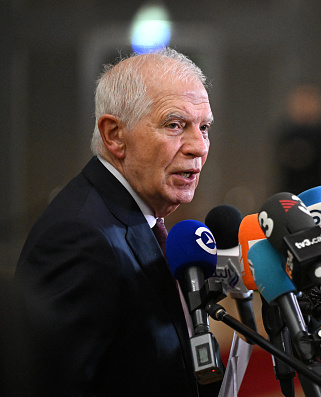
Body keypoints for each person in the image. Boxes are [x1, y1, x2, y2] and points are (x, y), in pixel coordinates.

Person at [14, 48, 213, 396]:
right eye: (175, 125)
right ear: (115, 135)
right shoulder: (79, 239)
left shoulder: (136, 218)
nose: (198, 146)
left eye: (205, 127)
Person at [274, 83, 321, 194]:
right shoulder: (285, 133)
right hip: (290, 191)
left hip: (317, 190)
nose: (304, 106)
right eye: (300, 102)